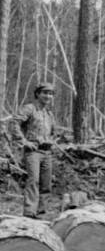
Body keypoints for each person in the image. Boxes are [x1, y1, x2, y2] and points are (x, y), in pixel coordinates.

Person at [10, 82, 57, 218]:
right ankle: (30, 213)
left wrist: (52, 141)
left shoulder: (49, 114)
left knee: (46, 184)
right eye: (45, 93)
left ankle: (41, 213)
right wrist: (24, 141)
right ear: (38, 94)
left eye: (50, 94)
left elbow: (53, 132)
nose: (48, 96)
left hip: (47, 152)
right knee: (33, 180)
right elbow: (14, 122)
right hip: (33, 151)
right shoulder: (30, 109)